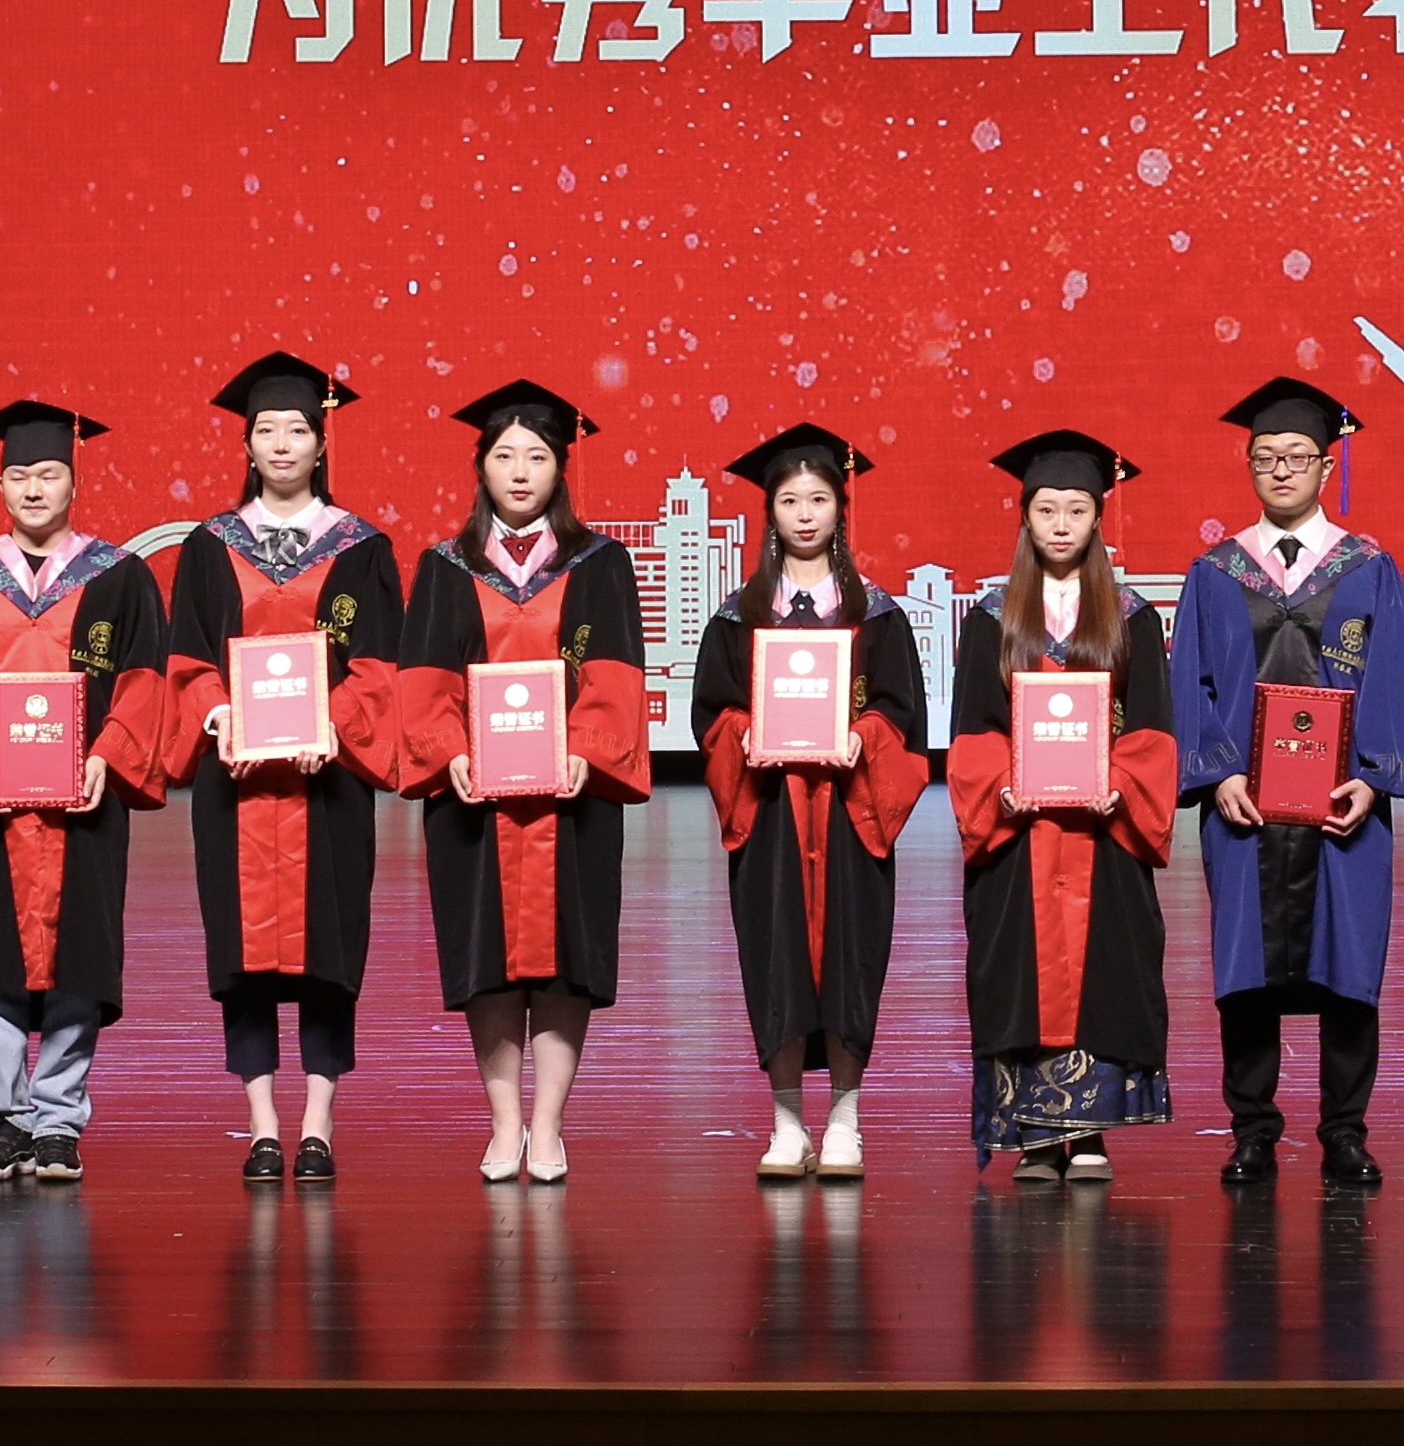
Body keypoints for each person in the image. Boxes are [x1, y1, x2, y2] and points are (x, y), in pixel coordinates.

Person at [0, 401, 175, 1189]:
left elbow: (143, 682)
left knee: (78, 962)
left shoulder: (118, 576)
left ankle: (57, 1121)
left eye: (48, 473)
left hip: (83, 804)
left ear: (73, 481)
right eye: (19, 475)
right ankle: (6, 1119)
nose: (33, 488)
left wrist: (107, 754)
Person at [158, 351, 407, 1184]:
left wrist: (333, 722)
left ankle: (318, 1121)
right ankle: (263, 1122)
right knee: (242, 957)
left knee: (330, 951)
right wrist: (218, 711)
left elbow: (380, 664)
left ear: (320, 441)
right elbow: (187, 658)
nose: (280, 443)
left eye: (296, 429)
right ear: (247, 443)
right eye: (265, 429)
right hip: (235, 784)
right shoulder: (208, 547)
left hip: (328, 781)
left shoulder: (360, 548)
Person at [394, 378, 651, 1183]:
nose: (518, 471)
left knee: (566, 959)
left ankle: (549, 1125)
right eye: (504, 455)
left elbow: (616, 670)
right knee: (488, 960)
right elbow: (424, 677)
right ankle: (504, 1122)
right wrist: (448, 749)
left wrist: (588, 747)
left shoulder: (600, 562)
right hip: (473, 798)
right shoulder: (445, 566)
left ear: (559, 467)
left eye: (535, 455)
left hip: (573, 797)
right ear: (481, 465)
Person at [1174, 377, 1404, 1188]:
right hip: (1243, 805)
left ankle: (1344, 1132)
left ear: (1326, 465)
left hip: (1344, 804)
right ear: (1248, 464)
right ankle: (1253, 1131)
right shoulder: (1214, 572)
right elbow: (1191, 684)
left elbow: (1390, 679)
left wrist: (1373, 781)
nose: (1280, 469)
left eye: (1297, 456)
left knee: (1349, 969)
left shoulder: (1368, 567)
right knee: (1245, 973)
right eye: (1265, 457)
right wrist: (1217, 774)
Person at [691, 423, 930, 1180]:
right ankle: (787, 1122)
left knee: (852, 959)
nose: (804, 514)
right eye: (790, 500)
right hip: (770, 814)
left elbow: (903, 714)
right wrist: (746, 736)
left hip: (850, 813)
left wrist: (864, 736)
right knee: (777, 956)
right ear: (770, 509)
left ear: (839, 508)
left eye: (818, 499)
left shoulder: (877, 614)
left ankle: (847, 1120)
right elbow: (712, 715)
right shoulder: (738, 615)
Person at [950, 431, 1181, 1183]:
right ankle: (1034, 1136)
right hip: (1018, 836)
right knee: (1016, 970)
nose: (1059, 525)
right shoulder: (991, 618)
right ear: (1025, 516)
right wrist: (1002, 788)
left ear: (1097, 518)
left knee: (1105, 973)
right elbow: (973, 728)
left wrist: (1120, 784)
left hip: (1102, 832)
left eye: (1076, 510)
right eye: (1046, 509)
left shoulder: (1131, 616)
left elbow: (1151, 726)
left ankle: (1088, 1135)